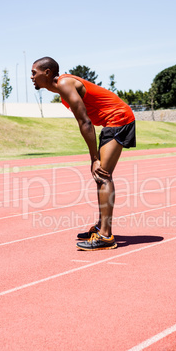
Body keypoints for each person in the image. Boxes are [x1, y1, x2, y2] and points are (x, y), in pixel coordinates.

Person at [31, 57, 136, 250]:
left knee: (103, 174)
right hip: (110, 121)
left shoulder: (64, 83)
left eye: (34, 72)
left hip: (119, 117)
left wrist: (94, 158)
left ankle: (105, 236)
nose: (31, 77)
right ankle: (101, 226)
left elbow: (85, 122)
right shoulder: (62, 90)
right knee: (100, 177)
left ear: (47, 73)